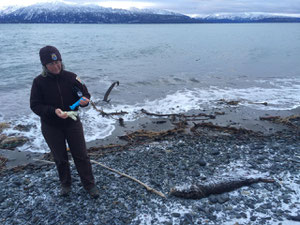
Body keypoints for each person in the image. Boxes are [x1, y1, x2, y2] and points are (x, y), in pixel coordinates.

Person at [30, 45, 99, 198]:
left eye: (58, 62)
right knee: (60, 158)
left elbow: (85, 94)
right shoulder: (38, 82)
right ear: (44, 66)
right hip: (51, 125)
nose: (56, 66)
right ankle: (66, 184)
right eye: (51, 64)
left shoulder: (72, 77)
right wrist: (53, 111)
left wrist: (85, 102)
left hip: (72, 122)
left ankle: (89, 184)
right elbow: (35, 105)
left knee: (81, 155)